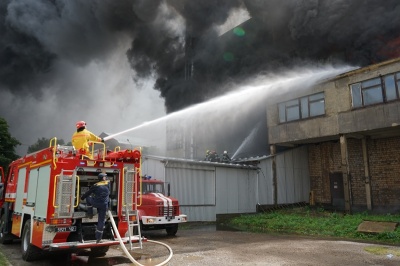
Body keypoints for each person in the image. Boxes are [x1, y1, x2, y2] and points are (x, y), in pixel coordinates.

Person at [80, 173, 110, 243]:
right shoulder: (108, 184)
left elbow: (88, 193)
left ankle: (90, 213)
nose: (106, 178)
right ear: (102, 178)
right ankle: (98, 237)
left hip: (96, 203)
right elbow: (108, 194)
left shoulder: (96, 185)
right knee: (101, 221)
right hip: (104, 205)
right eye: (105, 177)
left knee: (88, 198)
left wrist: (82, 198)